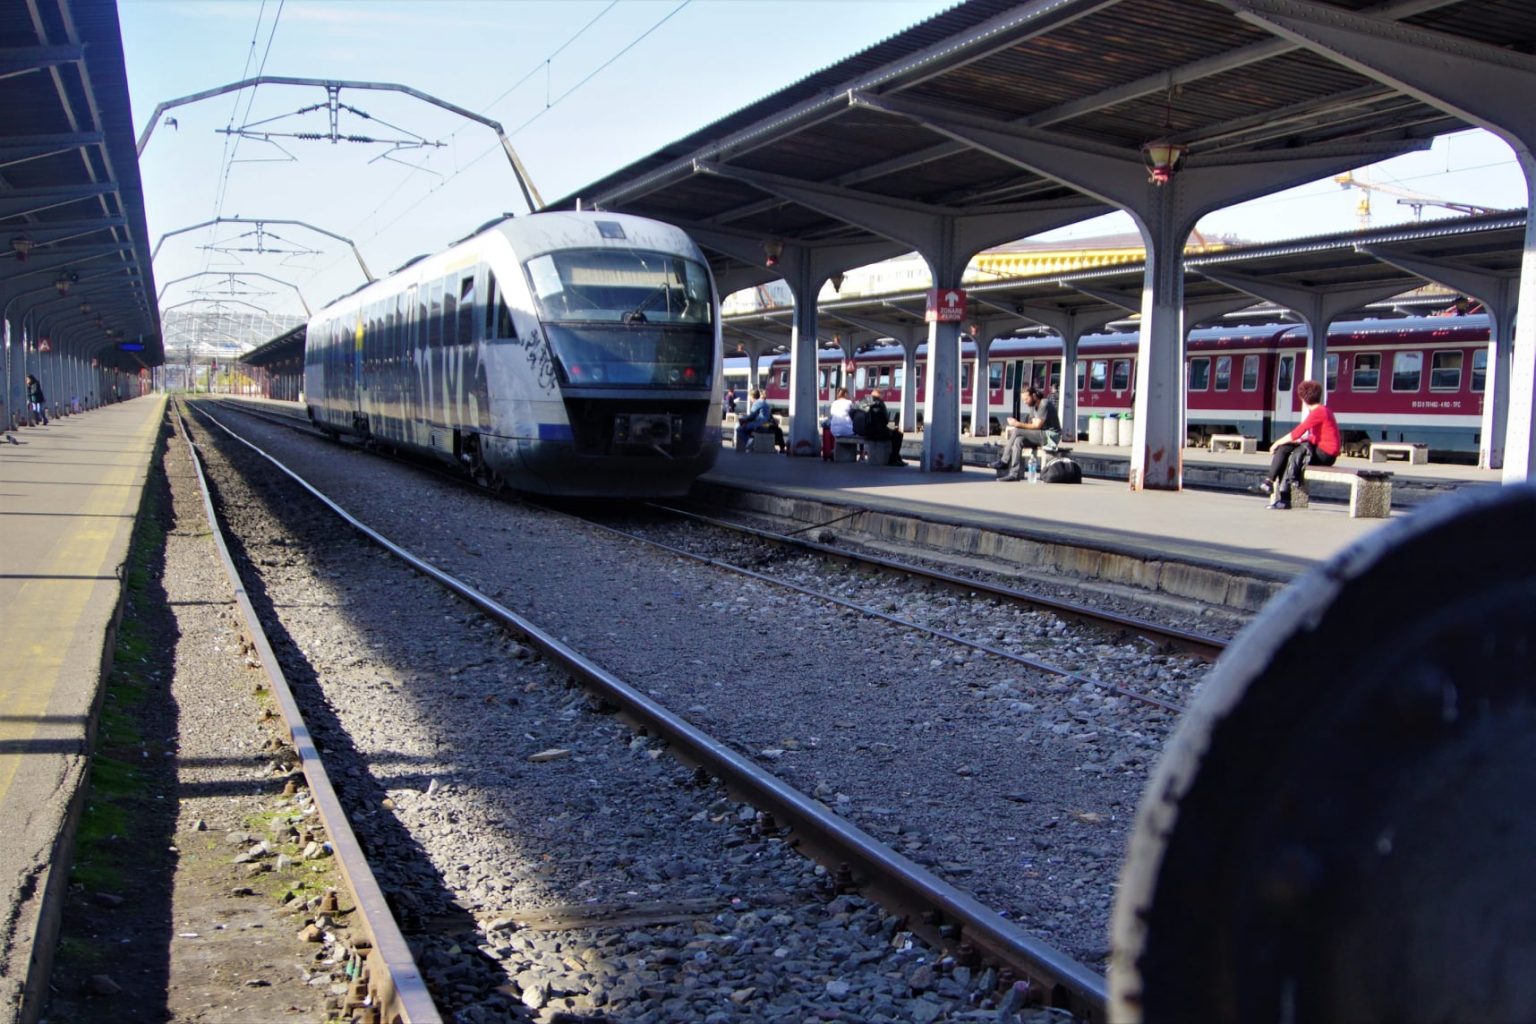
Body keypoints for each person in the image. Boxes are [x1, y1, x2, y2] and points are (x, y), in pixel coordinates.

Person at [1252, 379, 1340, 510]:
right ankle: (1272, 486)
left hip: (1325, 454)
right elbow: (1313, 436)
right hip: (1323, 452)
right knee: (1286, 449)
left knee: (1289, 453)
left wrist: (1277, 442)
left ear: (1303, 399)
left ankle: (1277, 491)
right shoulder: (1324, 410)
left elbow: (1298, 432)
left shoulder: (1318, 412)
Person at [991, 387, 1060, 480]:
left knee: (1017, 430)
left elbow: (1037, 425)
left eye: (1026, 399)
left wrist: (1017, 424)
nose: (1025, 402)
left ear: (1034, 396)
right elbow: (1031, 424)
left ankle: (1004, 461)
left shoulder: (1044, 404)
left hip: (1051, 436)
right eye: (1023, 400)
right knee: (1018, 441)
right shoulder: (1032, 407)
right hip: (1041, 435)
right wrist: (1020, 424)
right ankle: (1014, 474)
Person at [856, 388, 905, 465]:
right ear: (880, 394)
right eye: (883, 395)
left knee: (889, 432)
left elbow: (853, 413)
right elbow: (885, 420)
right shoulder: (879, 402)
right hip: (874, 432)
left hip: (859, 431)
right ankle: (894, 458)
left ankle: (896, 458)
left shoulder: (862, 401)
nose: (883, 397)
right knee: (898, 434)